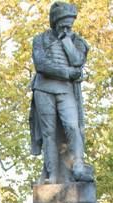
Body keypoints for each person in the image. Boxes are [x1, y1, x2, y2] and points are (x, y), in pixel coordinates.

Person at [29, 1, 93, 184]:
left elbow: (77, 61)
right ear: (55, 21)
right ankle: (52, 174)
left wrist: (66, 40)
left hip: (66, 91)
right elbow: (41, 65)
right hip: (43, 89)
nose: (66, 27)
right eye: (63, 23)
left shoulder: (77, 42)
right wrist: (66, 73)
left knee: (72, 127)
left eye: (69, 24)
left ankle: (78, 166)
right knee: (49, 133)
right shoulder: (40, 40)